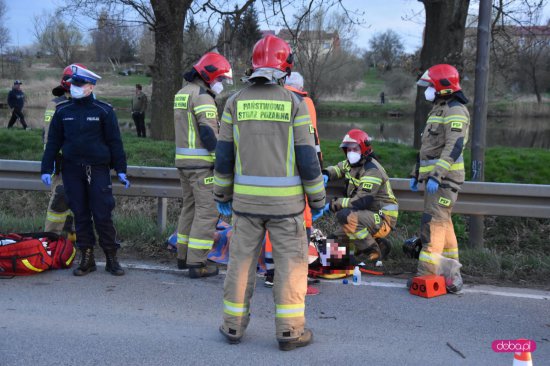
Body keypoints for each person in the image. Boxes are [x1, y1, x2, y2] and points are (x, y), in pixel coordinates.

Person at [215, 35, 326, 350]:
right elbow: (308, 159)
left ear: (253, 65)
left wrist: (222, 196)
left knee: (241, 263)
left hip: (245, 205)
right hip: (287, 207)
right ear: (286, 67)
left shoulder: (234, 102)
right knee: (291, 266)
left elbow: (223, 157)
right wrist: (317, 200)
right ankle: (290, 332)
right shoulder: (296, 103)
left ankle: (232, 326)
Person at [40, 64, 130, 277]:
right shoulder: (62, 111)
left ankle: (111, 258)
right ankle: (86, 258)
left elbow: (115, 143)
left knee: (102, 214)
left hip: (98, 170)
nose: (75, 88)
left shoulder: (104, 110)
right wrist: (46, 167)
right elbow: (53, 142)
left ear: (91, 87)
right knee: (80, 215)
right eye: (74, 84)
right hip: (72, 170)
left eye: (80, 84)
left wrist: (121, 169)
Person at [409, 64, 470, 294]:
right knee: (443, 224)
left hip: (444, 181)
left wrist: (436, 175)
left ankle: (426, 275)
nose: (428, 90)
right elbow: (428, 148)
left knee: (432, 225)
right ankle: (452, 276)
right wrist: (417, 174)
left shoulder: (455, 110)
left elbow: (453, 147)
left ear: (443, 87)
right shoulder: (438, 109)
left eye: (431, 86)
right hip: (435, 181)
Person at [173, 52, 232, 278]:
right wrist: (221, 162)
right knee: (207, 212)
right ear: (209, 76)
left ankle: (183, 255)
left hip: (184, 163)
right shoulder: (203, 98)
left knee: (189, 208)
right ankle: (197, 263)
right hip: (202, 165)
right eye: (220, 79)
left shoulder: (182, 93)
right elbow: (208, 133)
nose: (221, 84)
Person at [263, 71, 323, 294]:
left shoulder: (273, 100)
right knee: (302, 223)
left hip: (271, 174)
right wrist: (318, 177)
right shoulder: (304, 103)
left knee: (272, 222)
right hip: (298, 174)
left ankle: (271, 272)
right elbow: (311, 142)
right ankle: (298, 275)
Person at [319, 129, 398, 264]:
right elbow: (338, 168)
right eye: (348, 150)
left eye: (355, 149)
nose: (351, 153)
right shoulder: (352, 164)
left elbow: (361, 201)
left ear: (364, 149)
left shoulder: (372, 170)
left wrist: (333, 204)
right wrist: (326, 173)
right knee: (328, 248)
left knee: (345, 216)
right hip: (364, 216)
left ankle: (374, 252)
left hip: (382, 218)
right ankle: (378, 245)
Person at [43, 65, 78, 235]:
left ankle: (72, 240)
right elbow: (48, 136)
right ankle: (51, 239)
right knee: (60, 200)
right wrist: (51, 161)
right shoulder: (55, 104)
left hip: (82, 163)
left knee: (78, 203)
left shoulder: (86, 102)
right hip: (62, 164)